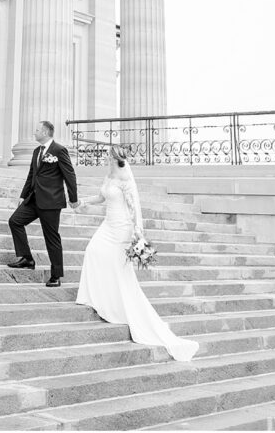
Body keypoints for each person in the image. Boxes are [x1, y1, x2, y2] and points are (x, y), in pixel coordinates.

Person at [76, 144, 198, 362]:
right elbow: (101, 197)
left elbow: (135, 208)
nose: (106, 157)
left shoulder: (125, 180)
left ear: (114, 157)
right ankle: (95, 296)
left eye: (108, 155)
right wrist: (84, 202)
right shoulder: (109, 176)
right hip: (107, 225)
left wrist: (138, 231)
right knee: (92, 250)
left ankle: (120, 307)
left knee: (119, 269)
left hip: (122, 228)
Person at [7, 120, 79, 287]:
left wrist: (73, 198)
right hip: (33, 200)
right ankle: (27, 258)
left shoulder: (59, 150)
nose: (34, 132)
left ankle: (56, 275)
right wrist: (23, 195)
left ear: (45, 132)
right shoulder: (36, 151)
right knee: (15, 221)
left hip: (51, 202)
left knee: (51, 238)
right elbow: (31, 174)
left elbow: (70, 175)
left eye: (37, 130)